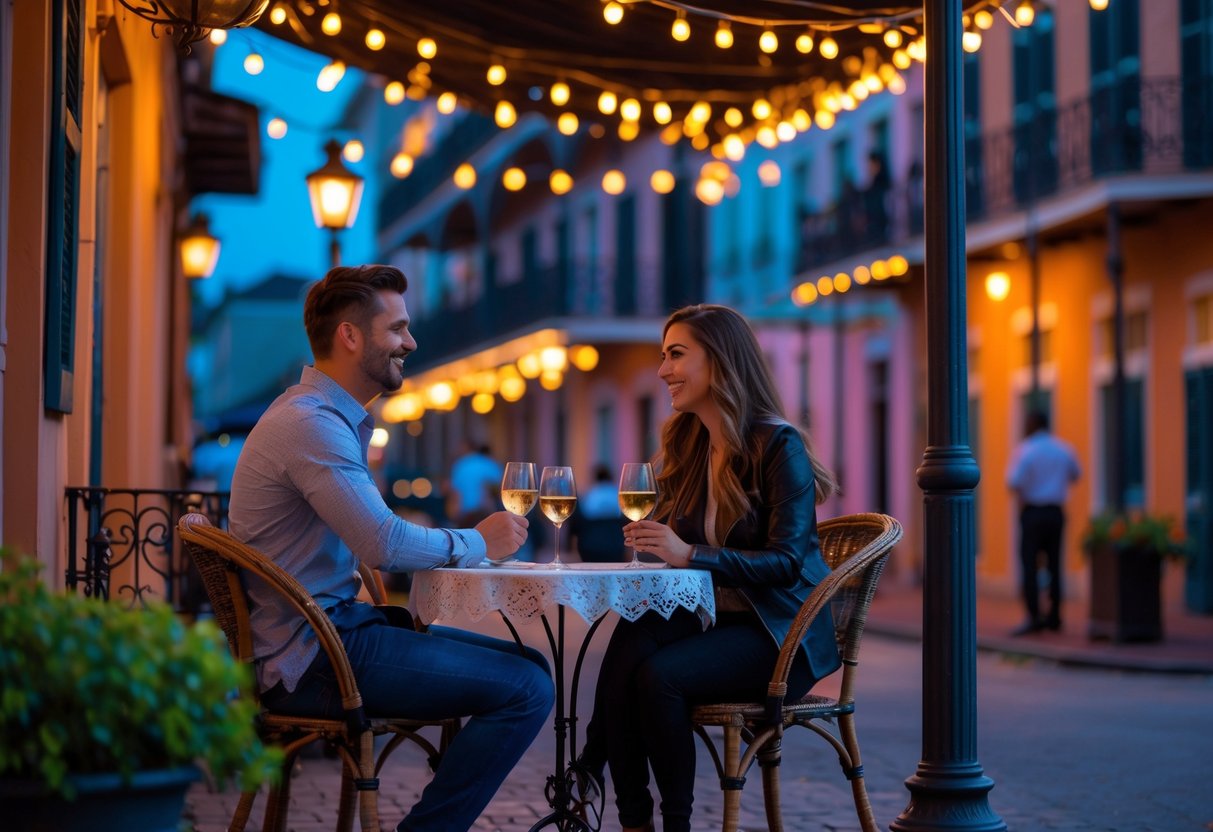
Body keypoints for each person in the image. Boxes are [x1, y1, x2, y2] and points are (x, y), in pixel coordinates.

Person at [229, 265, 554, 832]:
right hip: (316, 658)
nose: (412, 342)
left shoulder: (319, 416)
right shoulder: (311, 424)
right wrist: (479, 540)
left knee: (529, 666)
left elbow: (374, 532)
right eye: (398, 329)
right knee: (528, 688)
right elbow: (382, 542)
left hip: (329, 636)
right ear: (350, 337)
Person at [576, 304, 842, 832]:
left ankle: (641, 802)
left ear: (719, 361)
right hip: (721, 617)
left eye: (677, 354)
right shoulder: (691, 444)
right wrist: (655, 541)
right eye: (662, 355)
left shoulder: (776, 443)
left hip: (779, 632)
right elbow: (671, 535)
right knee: (630, 639)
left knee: (658, 676)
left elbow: (787, 564)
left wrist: (689, 553)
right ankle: (631, 817)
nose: (662, 370)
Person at [1006, 408, 1081, 635]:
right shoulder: (1063, 449)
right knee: (1055, 563)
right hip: (1055, 512)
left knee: (1029, 564)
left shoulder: (1025, 450)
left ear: (1032, 424)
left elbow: (1012, 481)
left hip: (1032, 512)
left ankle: (1034, 616)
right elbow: (1076, 474)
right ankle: (1055, 615)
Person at [571, 462, 625, 562]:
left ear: (594, 478)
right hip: (615, 546)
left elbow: (576, 524)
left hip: (590, 546)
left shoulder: (588, 495)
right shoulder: (618, 494)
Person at [447, 440, 503, 526]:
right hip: (484, 513)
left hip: (464, 514)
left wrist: (454, 515)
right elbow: (501, 488)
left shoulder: (460, 464)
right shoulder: (489, 463)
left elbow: (455, 493)